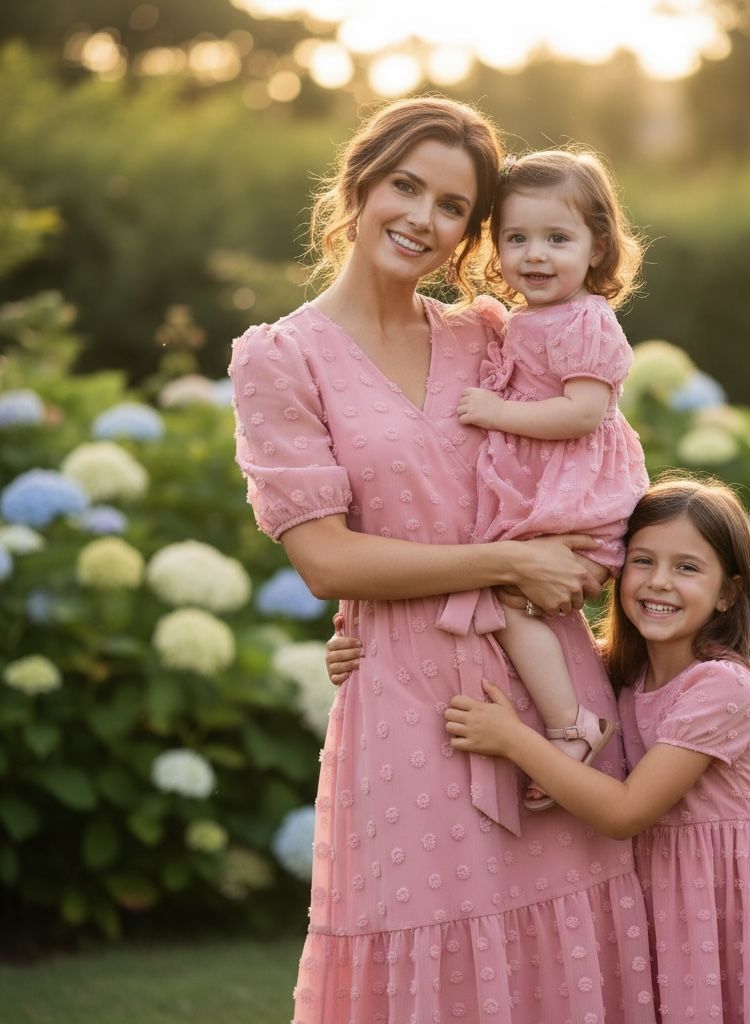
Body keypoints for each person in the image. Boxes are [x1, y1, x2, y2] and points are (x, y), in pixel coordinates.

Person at [229, 97, 656, 1024]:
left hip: (548, 690)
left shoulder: (489, 335)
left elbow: (587, 453)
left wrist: (584, 554)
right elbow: (327, 560)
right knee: (427, 938)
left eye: (453, 206)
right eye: (405, 187)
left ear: (474, 232)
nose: (423, 218)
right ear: (360, 185)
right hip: (408, 705)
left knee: (574, 947)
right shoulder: (282, 359)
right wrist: (505, 569)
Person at [443, 474, 750, 1023]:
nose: (659, 583)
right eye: (643, 561)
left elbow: (627, 812)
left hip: (731, 908)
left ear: (728, 592)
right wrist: (354, 647)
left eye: (687, 567)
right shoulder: (616, 673)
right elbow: (509, 634)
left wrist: (515, 741)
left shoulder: (725, 687)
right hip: (661, 901)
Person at [443, 149, 649, 811]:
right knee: (509, 599)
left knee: (509, 599)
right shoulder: (533, 318)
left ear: (596, 249)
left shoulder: (589, 321)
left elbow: (585, 412)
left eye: (557, 239)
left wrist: (499, 411)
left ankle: (571, 728)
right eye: (517, 238)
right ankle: (569, 721)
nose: (535, 254)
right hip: (547, 489)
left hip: (577, 495)